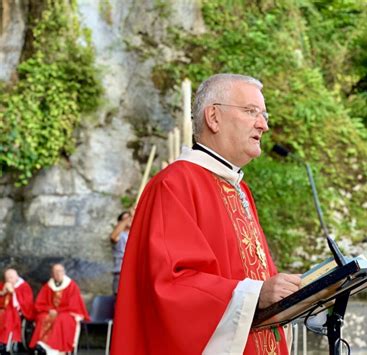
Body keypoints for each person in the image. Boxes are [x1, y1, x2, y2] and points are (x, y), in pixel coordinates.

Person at [112, 73, 301, 354]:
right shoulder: (174, 184)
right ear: (213, 117)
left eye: (264, 114)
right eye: (251, 112)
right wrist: (255, 295)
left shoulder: (239, 189)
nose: (264, 124)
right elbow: (169, 287)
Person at [29, 264, 90, 354]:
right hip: (50, 311)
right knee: (42, 317)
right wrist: (49, 309)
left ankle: (55, 350)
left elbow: (74, 304)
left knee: (61, 319)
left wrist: (58, 311)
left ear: (64, 272)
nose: (58, 274)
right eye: (55, 272)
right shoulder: (48, 286)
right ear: (52, 274)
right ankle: (40, 344)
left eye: (60, 271)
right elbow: (40, 302)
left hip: (67, 312)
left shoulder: (71, 286)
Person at [0, 269, 34, 355]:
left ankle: (4, 343)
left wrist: (13, 293)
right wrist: (3, 292)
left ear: (16, 277)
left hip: (15, 312)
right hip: (2, 309)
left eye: (11, 278)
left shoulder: (24, 286)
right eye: (7, 278)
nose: (8, 280)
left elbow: (26, 303)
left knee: (8, 315)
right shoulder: (3, 285)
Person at [109, 210, 133, 295]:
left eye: (130, 218)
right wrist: (130, 215)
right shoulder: (120, 235)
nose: (129, 220)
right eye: (126, 218)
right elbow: (113, 237)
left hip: (134, 274)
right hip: (121, 274)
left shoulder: (136, 235)